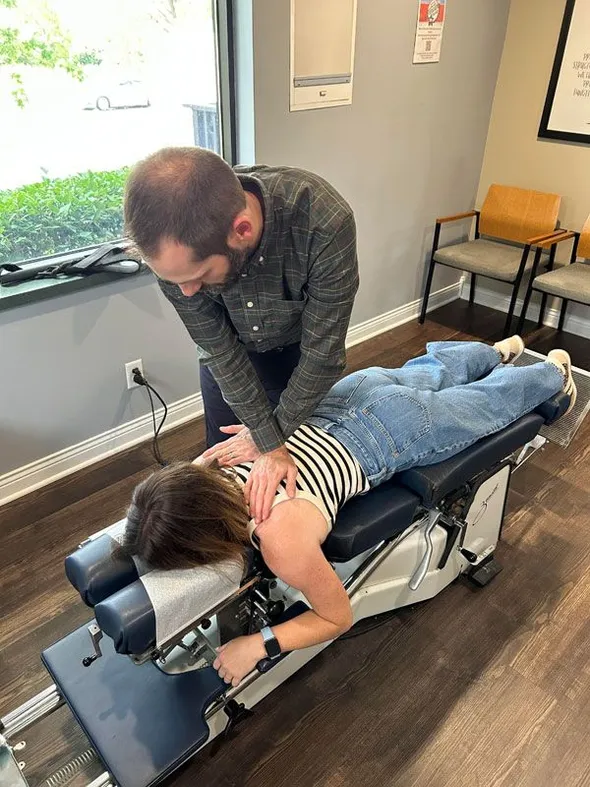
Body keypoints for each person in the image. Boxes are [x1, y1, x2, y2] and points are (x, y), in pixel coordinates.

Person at [123, 338, 576, 687]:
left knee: (486, 406)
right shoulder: (216, 460)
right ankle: (494, 352)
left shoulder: (276, 537)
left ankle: (554, 374)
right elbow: (178, 488)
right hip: (346, 395)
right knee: (427, 371)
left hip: (390, 432)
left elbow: (337, 618)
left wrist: (255, 645)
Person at [123, 147, 359, 524]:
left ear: (242, 231)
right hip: (230, 362)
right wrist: (267, 440)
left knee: (292, 483)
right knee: (226, 475)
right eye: (174, 281)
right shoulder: (173, 251)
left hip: (301, 358)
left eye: (198, 277)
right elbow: (218, 350)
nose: (186, 292)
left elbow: (323, 356)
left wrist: (272, 443)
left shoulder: (323, 221)